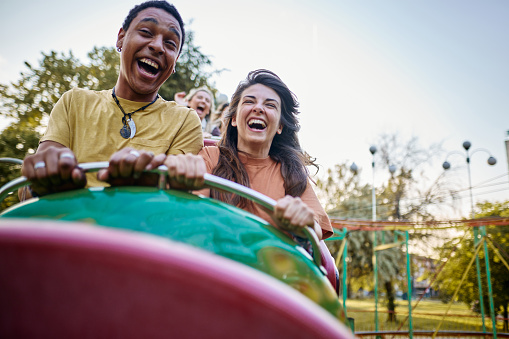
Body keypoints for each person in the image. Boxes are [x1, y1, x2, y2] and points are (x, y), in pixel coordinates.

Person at [19, 0, 203, 200]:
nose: (158, 46)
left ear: (174, 62)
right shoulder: (74, 101)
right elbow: (28, 194)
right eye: (146, 32)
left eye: (170, 44)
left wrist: (143, 184)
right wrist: (43, 181)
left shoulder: (185, 120)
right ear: (121, 39)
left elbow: (173, 200)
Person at [165, 69, 333, 240]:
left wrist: (303, 222)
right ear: (234, 119)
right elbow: (196, 212)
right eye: (249, 101)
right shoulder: (211, 157)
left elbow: (315, 231)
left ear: (280, 126)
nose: (258, 108)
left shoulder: (293, 173)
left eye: (270, 105)